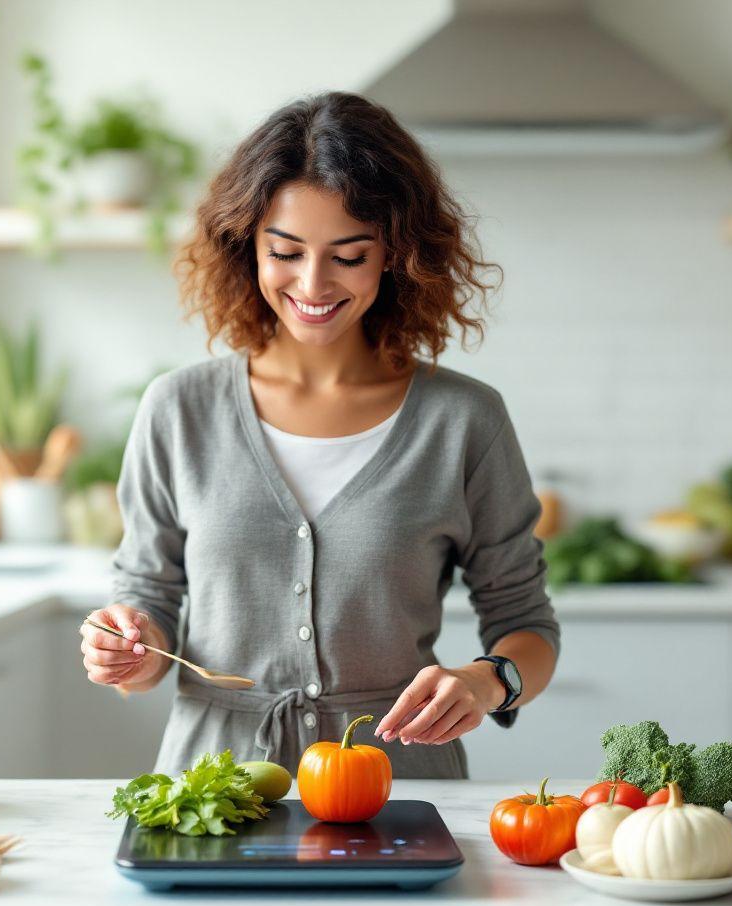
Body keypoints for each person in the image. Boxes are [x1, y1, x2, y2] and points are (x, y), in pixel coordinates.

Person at [80, 91, 559, 778]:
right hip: (214, 794)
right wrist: (127, 650)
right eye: (286, 251)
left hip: (399, 791)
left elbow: (528, 626)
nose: (313, 283)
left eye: (348, 255)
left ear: (395, 253)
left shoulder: (464, 421)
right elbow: (146, 611)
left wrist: (485, 683)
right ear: (247, 247)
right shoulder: (177, 409)